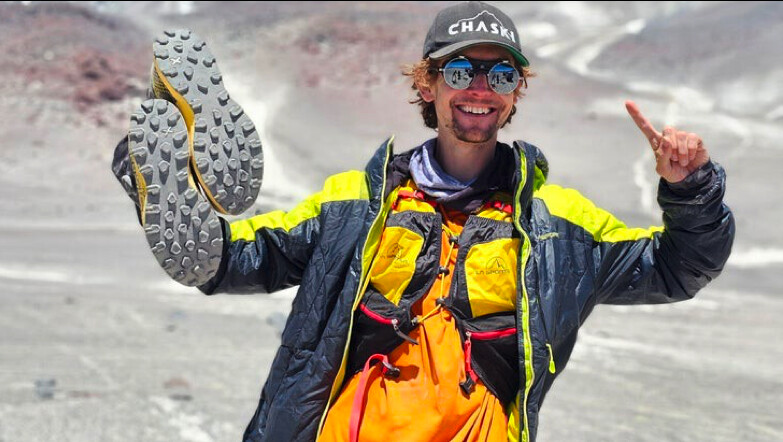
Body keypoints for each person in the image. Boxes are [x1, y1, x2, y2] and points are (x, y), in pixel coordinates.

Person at [112, 2, 734, 441]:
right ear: (429, 84)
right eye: (461, 71)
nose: (480, 88)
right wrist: (170, 202)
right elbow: (242, 258)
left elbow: (678, 270)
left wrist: (692, 189)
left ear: (515, 93)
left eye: (501, 74)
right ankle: (166, 158)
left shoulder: (557, 224)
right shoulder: (356, 203)